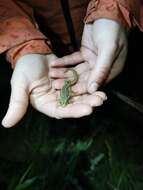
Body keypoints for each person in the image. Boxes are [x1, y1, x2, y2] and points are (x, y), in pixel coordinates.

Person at [0, 0, 142, 128]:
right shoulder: (66, 93)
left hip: (94, 42)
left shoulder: (66, 92)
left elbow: (67, 92)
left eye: (63, 103)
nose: (63, 103)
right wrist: (26, 47)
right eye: (63, 102)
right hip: (53, 44)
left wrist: (112, 11)